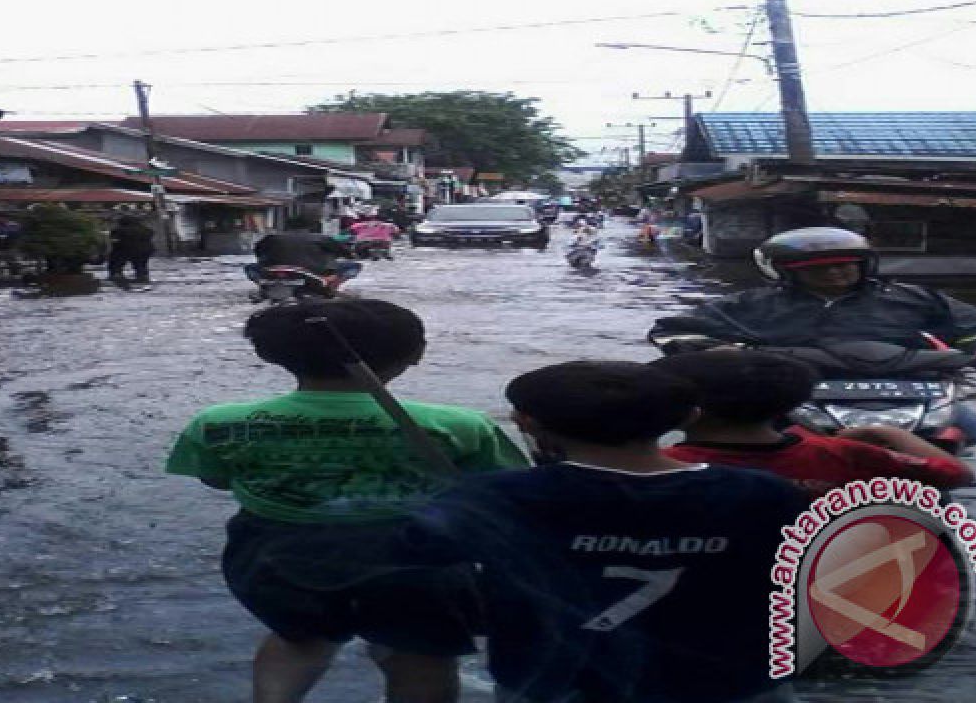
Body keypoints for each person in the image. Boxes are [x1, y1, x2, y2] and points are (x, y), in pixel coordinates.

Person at [166, 299, 530, 703]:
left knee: (297, 641)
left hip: (277, 556)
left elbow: (215, 479)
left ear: (273, 354)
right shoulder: (457, 425)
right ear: (414, 356)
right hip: (419, 561)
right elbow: (501, 488)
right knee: (421, 655)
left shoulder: (221, 423)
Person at [398, 361, 807, 703]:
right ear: (689, 418)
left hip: (555, 682)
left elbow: (422, 562)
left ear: (527, 423)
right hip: (733, 682)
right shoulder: (761, 492)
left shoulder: (496, 497)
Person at [649, 227, 976, 443]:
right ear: (785, 272)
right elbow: (673, 329)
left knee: (975, 433)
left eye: (845, 264)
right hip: (793, 392)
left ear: (864, 264)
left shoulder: (913, 296)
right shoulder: (753, 302)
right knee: (729, 440)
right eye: (820, 268)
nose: (836, 272)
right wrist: (721, 351)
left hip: (909, 387)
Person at [652, 350, 975, 498]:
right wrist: (885, 433)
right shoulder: (842, 454)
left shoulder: (660, 466)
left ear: (690, 412)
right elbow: (956, 475)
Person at [251, 231, 361, 291]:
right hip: (313, 273)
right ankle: (330, 286)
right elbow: (347, 254)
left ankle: (263, 286)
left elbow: (258, 251)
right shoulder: (322, 238)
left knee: (250, 267)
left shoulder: (271, 238)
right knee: (354, 266)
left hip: (273, 272)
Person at [108, 215, 155, 283]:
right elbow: (150, 236)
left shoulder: (118, 230)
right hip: (145, 251)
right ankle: (142, 276)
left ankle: (116, 275)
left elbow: (114, 242)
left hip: (125, 250)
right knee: (141, 264)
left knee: (116, 264)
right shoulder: (146, 230)